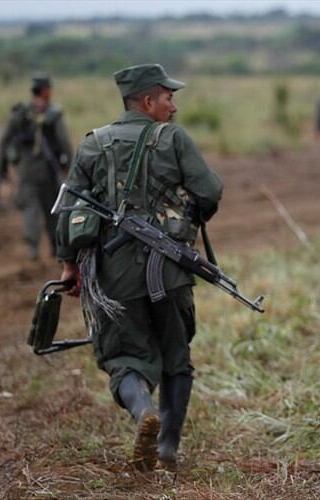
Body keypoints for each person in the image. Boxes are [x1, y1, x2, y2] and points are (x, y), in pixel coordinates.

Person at [55, 64, 223, 472]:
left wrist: (68, 267)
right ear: (148, 102)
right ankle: (166, 446)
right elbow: (210, 191)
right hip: (170, 270)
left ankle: (143, 409)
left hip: (113, 275)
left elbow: (68, 209)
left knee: (123, 356)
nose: (174, 106)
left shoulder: (94, 143)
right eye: (168, 97)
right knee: (176, 356)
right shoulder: (174, 139)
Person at [0, 73, 72, 260]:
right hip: (48, 172)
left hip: (25, 171)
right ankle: (56, 247)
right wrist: (68, 166)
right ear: (45, 91)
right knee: (52, 210)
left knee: (31, 210)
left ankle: (33, 249)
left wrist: (2, 167)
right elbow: (64, 142)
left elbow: (4, 142)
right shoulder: (52, 113)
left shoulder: (20, 113)